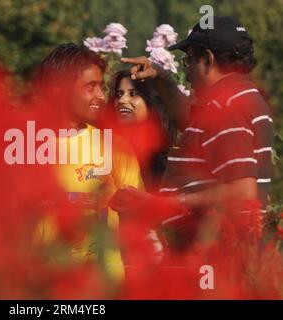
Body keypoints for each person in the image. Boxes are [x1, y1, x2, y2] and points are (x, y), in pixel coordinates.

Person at [112, 16, 274, 252]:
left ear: (207, 59)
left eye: (189, 60)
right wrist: (160, 76)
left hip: (219, 255)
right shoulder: (240, 97)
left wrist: (167, 203)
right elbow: (189, 121)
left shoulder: (227, 107)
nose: (187, 71)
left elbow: (242, 191)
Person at [34, 43, 144, 281]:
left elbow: (140, 214)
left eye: (101, 86)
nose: (101, 96)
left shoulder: (114, 147)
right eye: (90, 87)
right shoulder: (23, 147)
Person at [108, 70, 176, 191]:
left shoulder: (169, 165)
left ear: (151, 101)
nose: (122, 100)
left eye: (133, 93)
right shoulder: (103, 151)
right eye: (119, 94)